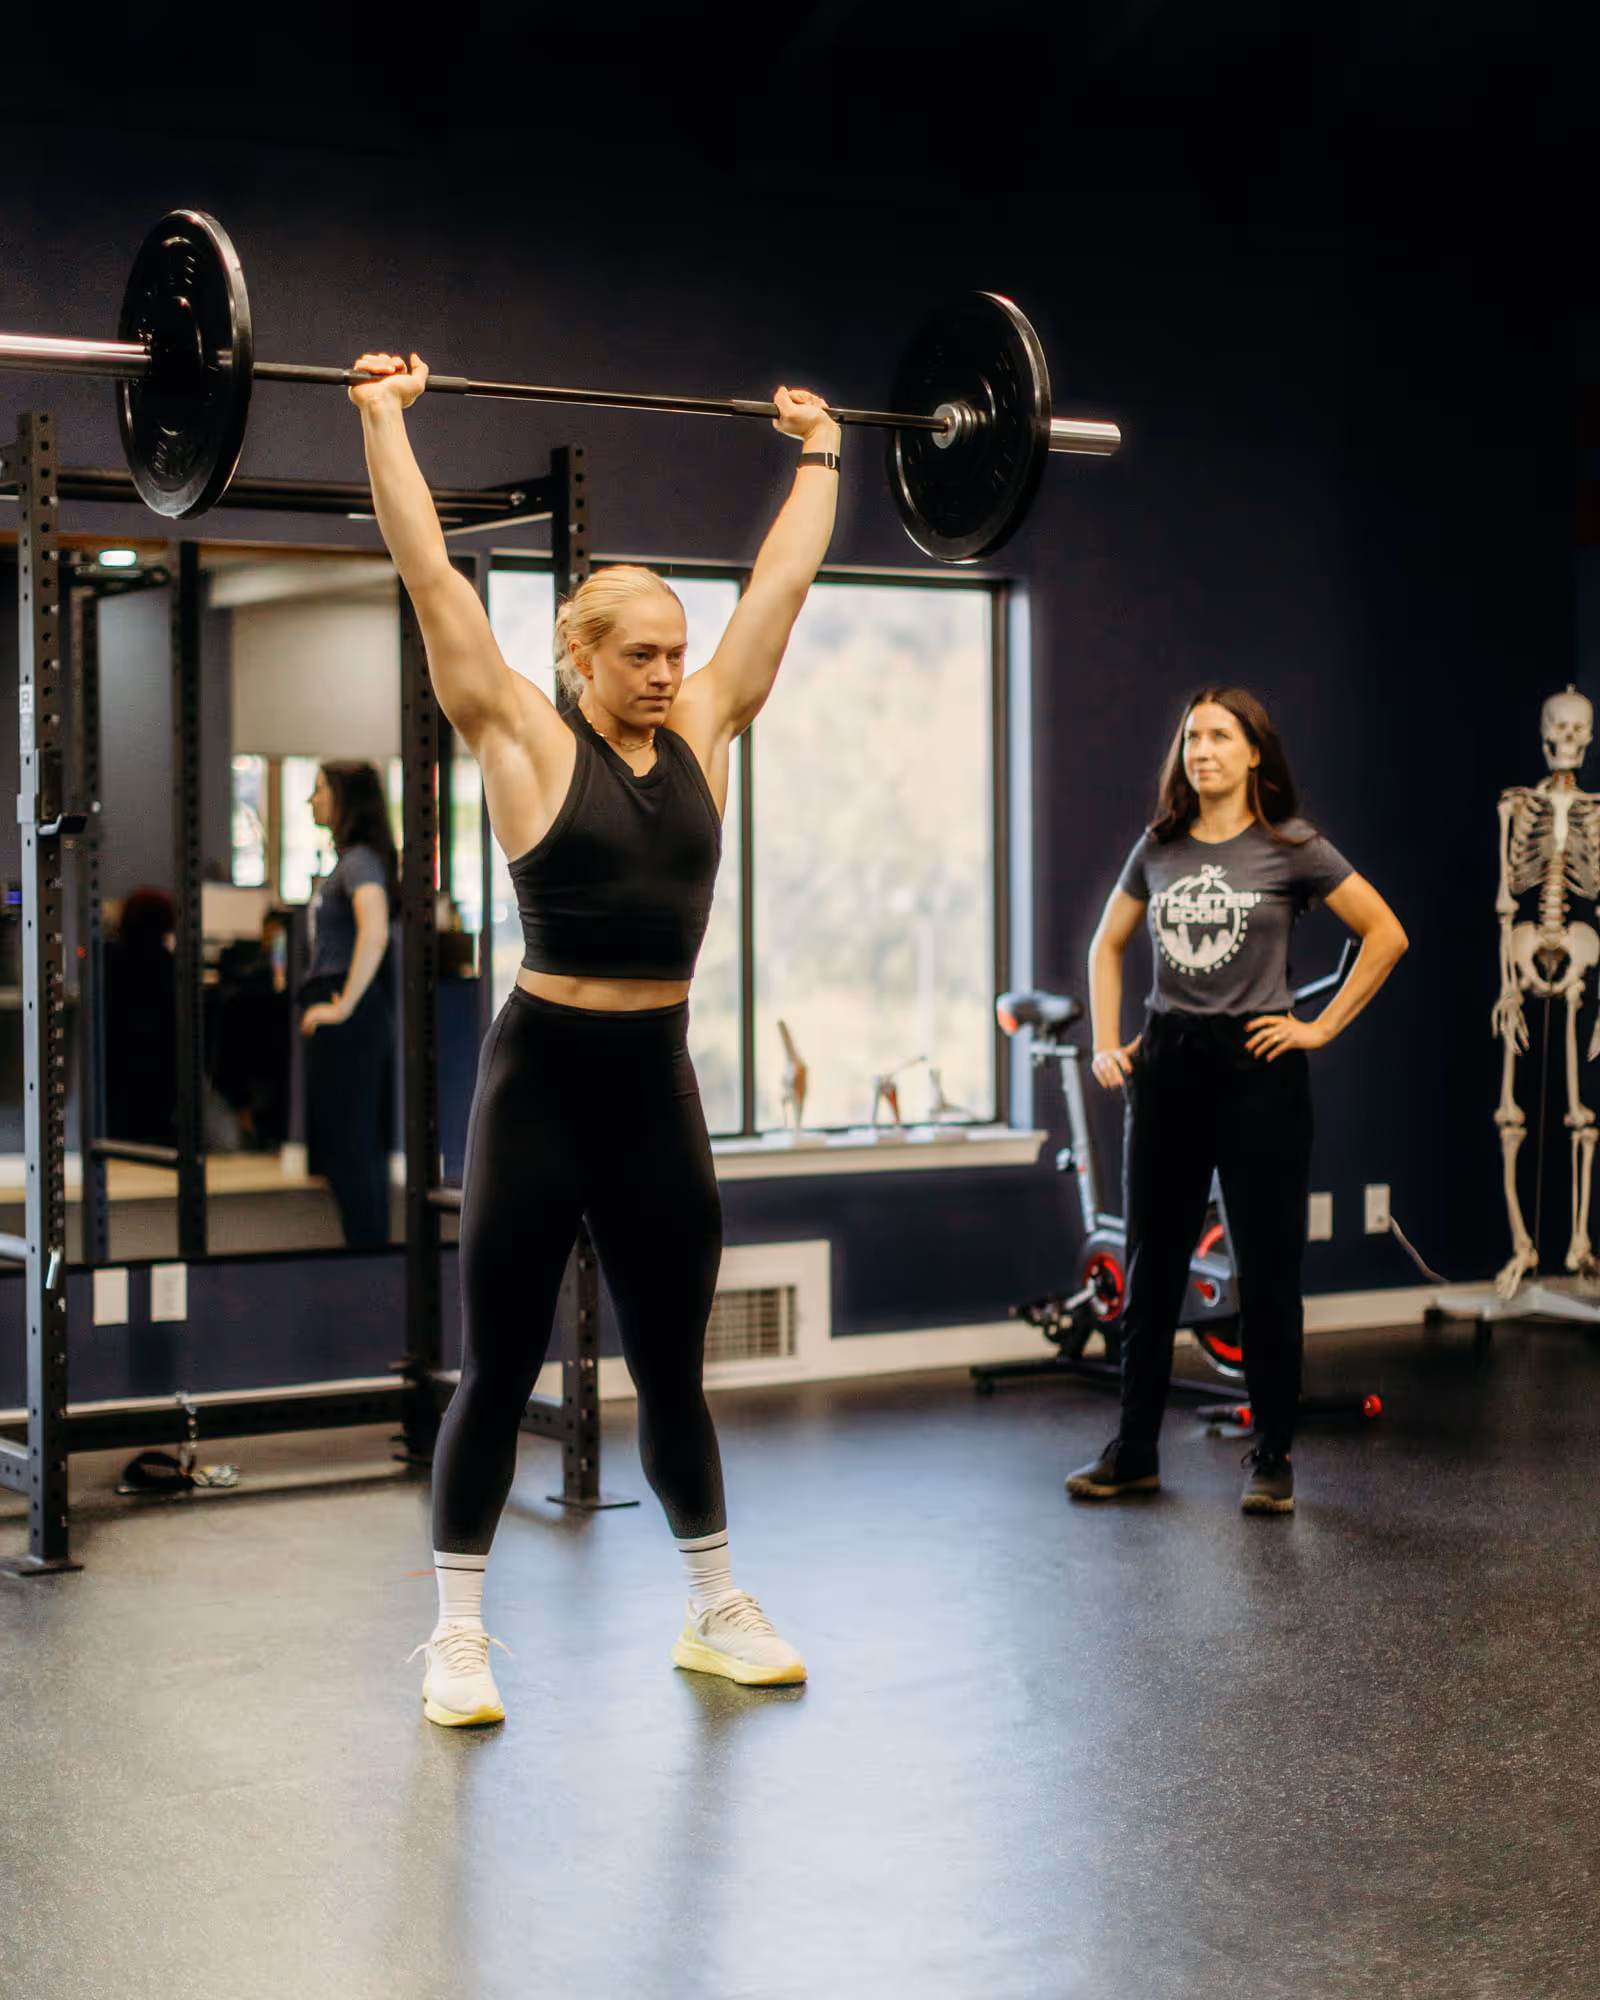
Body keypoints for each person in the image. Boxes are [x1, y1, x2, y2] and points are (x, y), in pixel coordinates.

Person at [350, 348, 841, 1725]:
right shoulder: (519, 733)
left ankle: (714, 1607)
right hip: (543, 1086)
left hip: (654, 1090)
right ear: (579, 660)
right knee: (498, 1369)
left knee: (673, 1363)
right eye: (641, 654)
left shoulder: (708, 727)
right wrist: (384, 420)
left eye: (678, 652)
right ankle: (458, 1636)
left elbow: (783, 588)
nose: (669, 672)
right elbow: (430, 575)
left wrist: (822, 455)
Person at [1067, 687, 1408, 1515]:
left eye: (1220, 736)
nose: (1202, 749)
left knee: (1267, 1271)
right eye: (1192, 736)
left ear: (1255, 752)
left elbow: (1386, 934)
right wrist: (1109, 1044)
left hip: (1260, 1067)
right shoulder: (1160, 847)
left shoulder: (1293, 847)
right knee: (1153, 1270)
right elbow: (1106, 943)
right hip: (1171, 1064)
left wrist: (1318, 1028)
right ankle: (1135, 1451)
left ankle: (1274, 1456)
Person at [299, 761, 398, 1249]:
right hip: (343, 1002)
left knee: (353, 1146)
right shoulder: (348, 861)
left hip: (350, 1008)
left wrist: (342, 1007)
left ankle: (369, 1256)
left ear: (345, 799)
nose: (311, 800)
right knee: (347, 1145)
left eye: (319, 790)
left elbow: (375, 931)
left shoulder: (359, 862)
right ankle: (367, 1251)